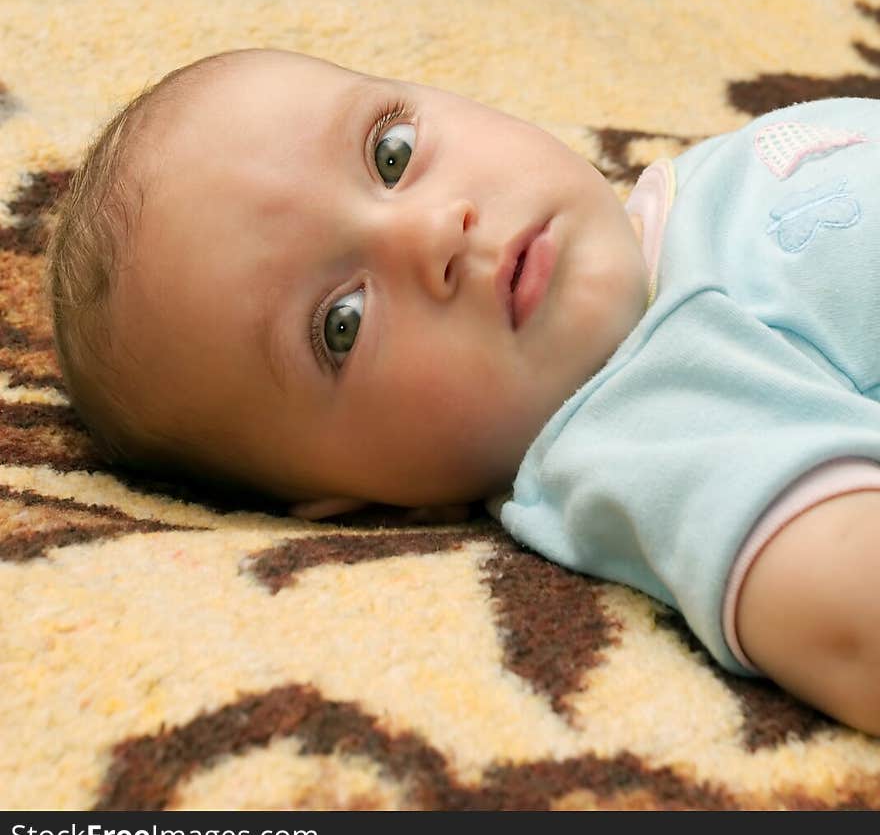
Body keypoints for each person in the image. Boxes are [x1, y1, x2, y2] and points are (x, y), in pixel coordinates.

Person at [44, 46, 880, 734]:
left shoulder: (683, 204)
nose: (435, 232)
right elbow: (854, 617)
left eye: (391, 154)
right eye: (342, 321)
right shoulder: (651, 416)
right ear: (351, 495)